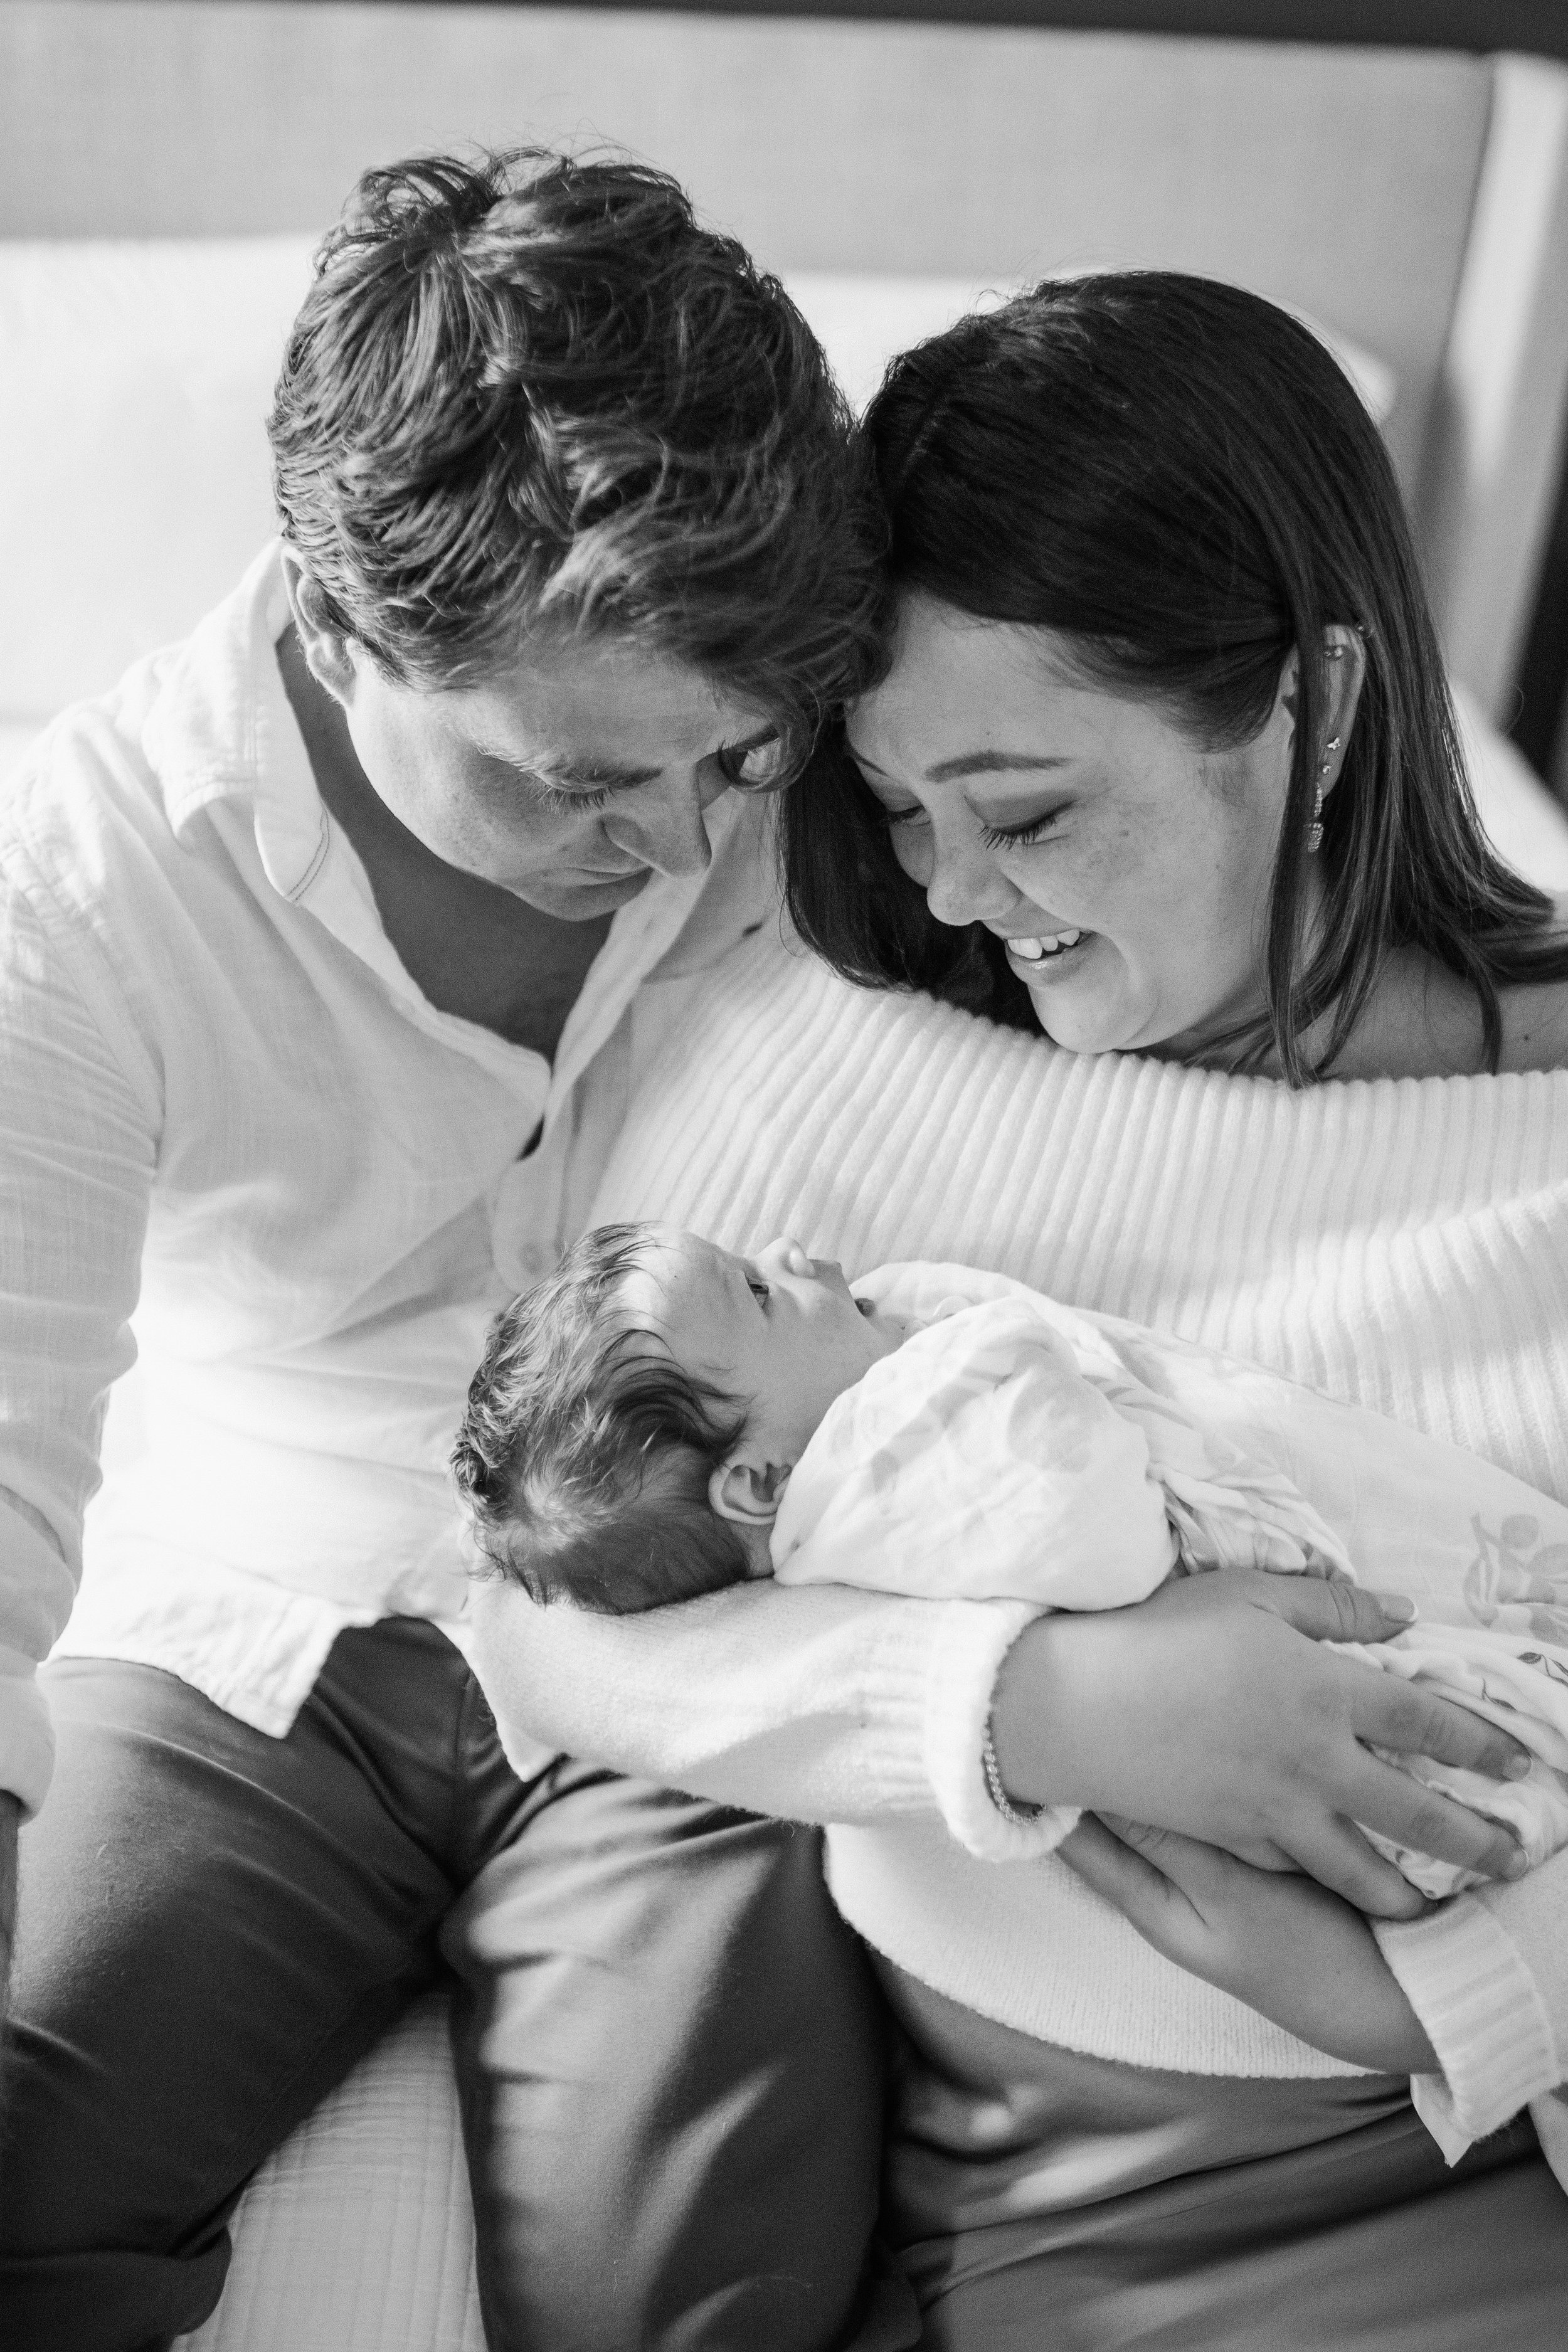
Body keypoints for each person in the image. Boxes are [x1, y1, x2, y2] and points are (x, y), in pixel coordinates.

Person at [469, 274, 1568, 2345]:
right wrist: (1040, 1703)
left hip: (1452, 2150)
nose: (959, 891)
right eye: (898, 809)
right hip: (1006, 2178)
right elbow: (546, 1609)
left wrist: (1457, 1993)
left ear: (1312, 709)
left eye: (1035, 808)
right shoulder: (838, 1043)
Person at [0, 147, 901, 2352]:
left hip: (703, 1629)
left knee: (706, 2308)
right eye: (585, 779)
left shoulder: (811, 736)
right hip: (249, 1633)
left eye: (736, 758)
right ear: (337, 625)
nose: (688, 844)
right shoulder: (72, 904)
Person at [455, 1218, 1568, 1910]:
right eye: (756, 1287)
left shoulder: (834, 1438)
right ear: (757, 1483)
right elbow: (1105, 1535)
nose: (793, 1251)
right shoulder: (897, 1455)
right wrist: (1002, 1359)